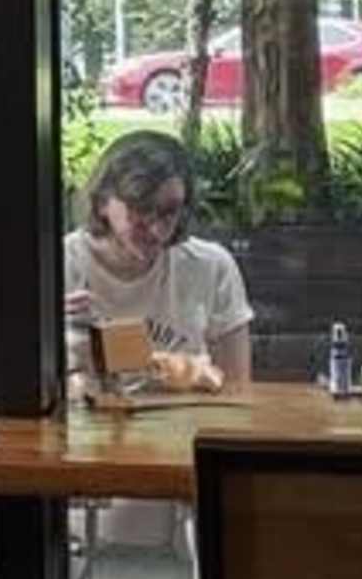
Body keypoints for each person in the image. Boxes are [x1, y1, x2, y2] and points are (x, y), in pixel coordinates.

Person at [64, 129, 251, 387]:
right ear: (102, 202)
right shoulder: (61, 267)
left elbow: (237, 387)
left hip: (190, 423)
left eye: (169, 211)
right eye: (140, 209)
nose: (156, 229)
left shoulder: (211, 267)